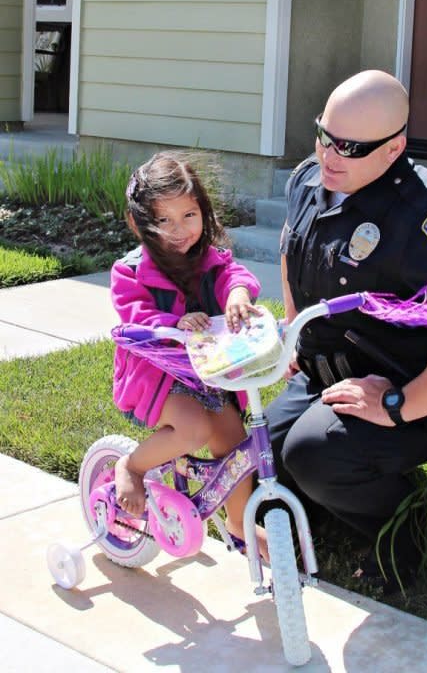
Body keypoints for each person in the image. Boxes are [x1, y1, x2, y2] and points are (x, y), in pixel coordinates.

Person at [266, 70, 427, 584]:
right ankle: (329, 510)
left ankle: (406, 540)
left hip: (417, 387)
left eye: (350, 146)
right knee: (261, 455)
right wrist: (295, 329)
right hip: (329, 374)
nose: (329, 154)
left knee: (313, 457)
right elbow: (291, 252)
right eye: (324, 135)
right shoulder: (309, 180)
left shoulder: (423, 215)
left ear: (394, 147)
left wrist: (399, 404)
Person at [110, 151, 268, 559]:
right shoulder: (129, 271)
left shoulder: (210, 260)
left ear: (204, 213)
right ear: (138, 223)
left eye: (189, 216)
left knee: (236, 444)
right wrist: (172, 322)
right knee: (194, 429)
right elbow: (136, 316)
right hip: (157, 378)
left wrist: (235, 294)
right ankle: (132, 466)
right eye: (164, 220)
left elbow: (236, 275)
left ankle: (239, 525)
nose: (180, 230)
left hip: (207, 372)